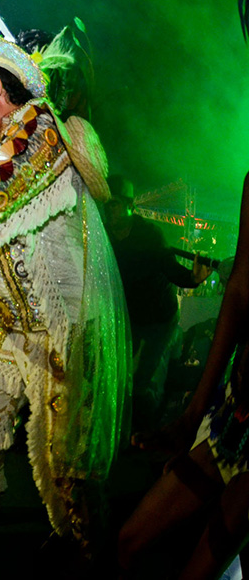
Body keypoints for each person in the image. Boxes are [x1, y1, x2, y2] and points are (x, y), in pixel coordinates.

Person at [0, 23, 129, 539]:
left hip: (66, 333)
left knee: (69, 473)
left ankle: (94, 556)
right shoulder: (7, 142)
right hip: (20, 328)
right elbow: (2, 231)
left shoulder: (37, 126)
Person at [118, 172, 249, 578]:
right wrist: (193, 416)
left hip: (158, 325)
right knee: (128, 543)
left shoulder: (150, 238)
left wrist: (192, 278)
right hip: (234, 415)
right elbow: (239, 291)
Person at [105, 174, 213, 431]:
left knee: (143, 379)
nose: (110, 210)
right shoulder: (105, 235)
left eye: (115, 204)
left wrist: (194, 279)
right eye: (107, 205)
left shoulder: (150, 235)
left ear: (130, 206)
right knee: (117, 373)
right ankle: (122, 425)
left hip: (159, 319)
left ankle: (146, 432)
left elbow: (172, 270)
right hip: (130, 316)